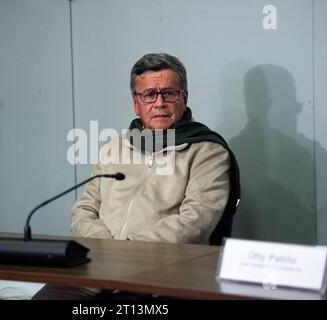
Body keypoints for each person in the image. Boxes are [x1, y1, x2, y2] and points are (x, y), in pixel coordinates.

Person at [32, 53, 240, 299]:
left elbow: (196, 221)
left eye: (169, 93)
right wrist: (105, 253)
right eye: (149, 94)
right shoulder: (114, 147)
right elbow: (84, 209)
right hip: (92, 269)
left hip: (160, 277)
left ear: (184, 97)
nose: (159, 102)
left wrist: (126, 253)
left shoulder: (207, 150)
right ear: (136, 103)